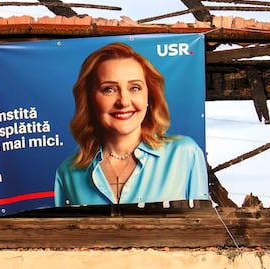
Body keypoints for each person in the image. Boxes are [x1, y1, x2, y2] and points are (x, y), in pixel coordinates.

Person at [53, 42, 209, 206]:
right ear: (89, 99)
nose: (124, 102)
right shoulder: (68, 172)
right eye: (109, 89)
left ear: (149, 96)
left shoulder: (184, 154)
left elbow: (203, 228)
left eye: (134, 88)